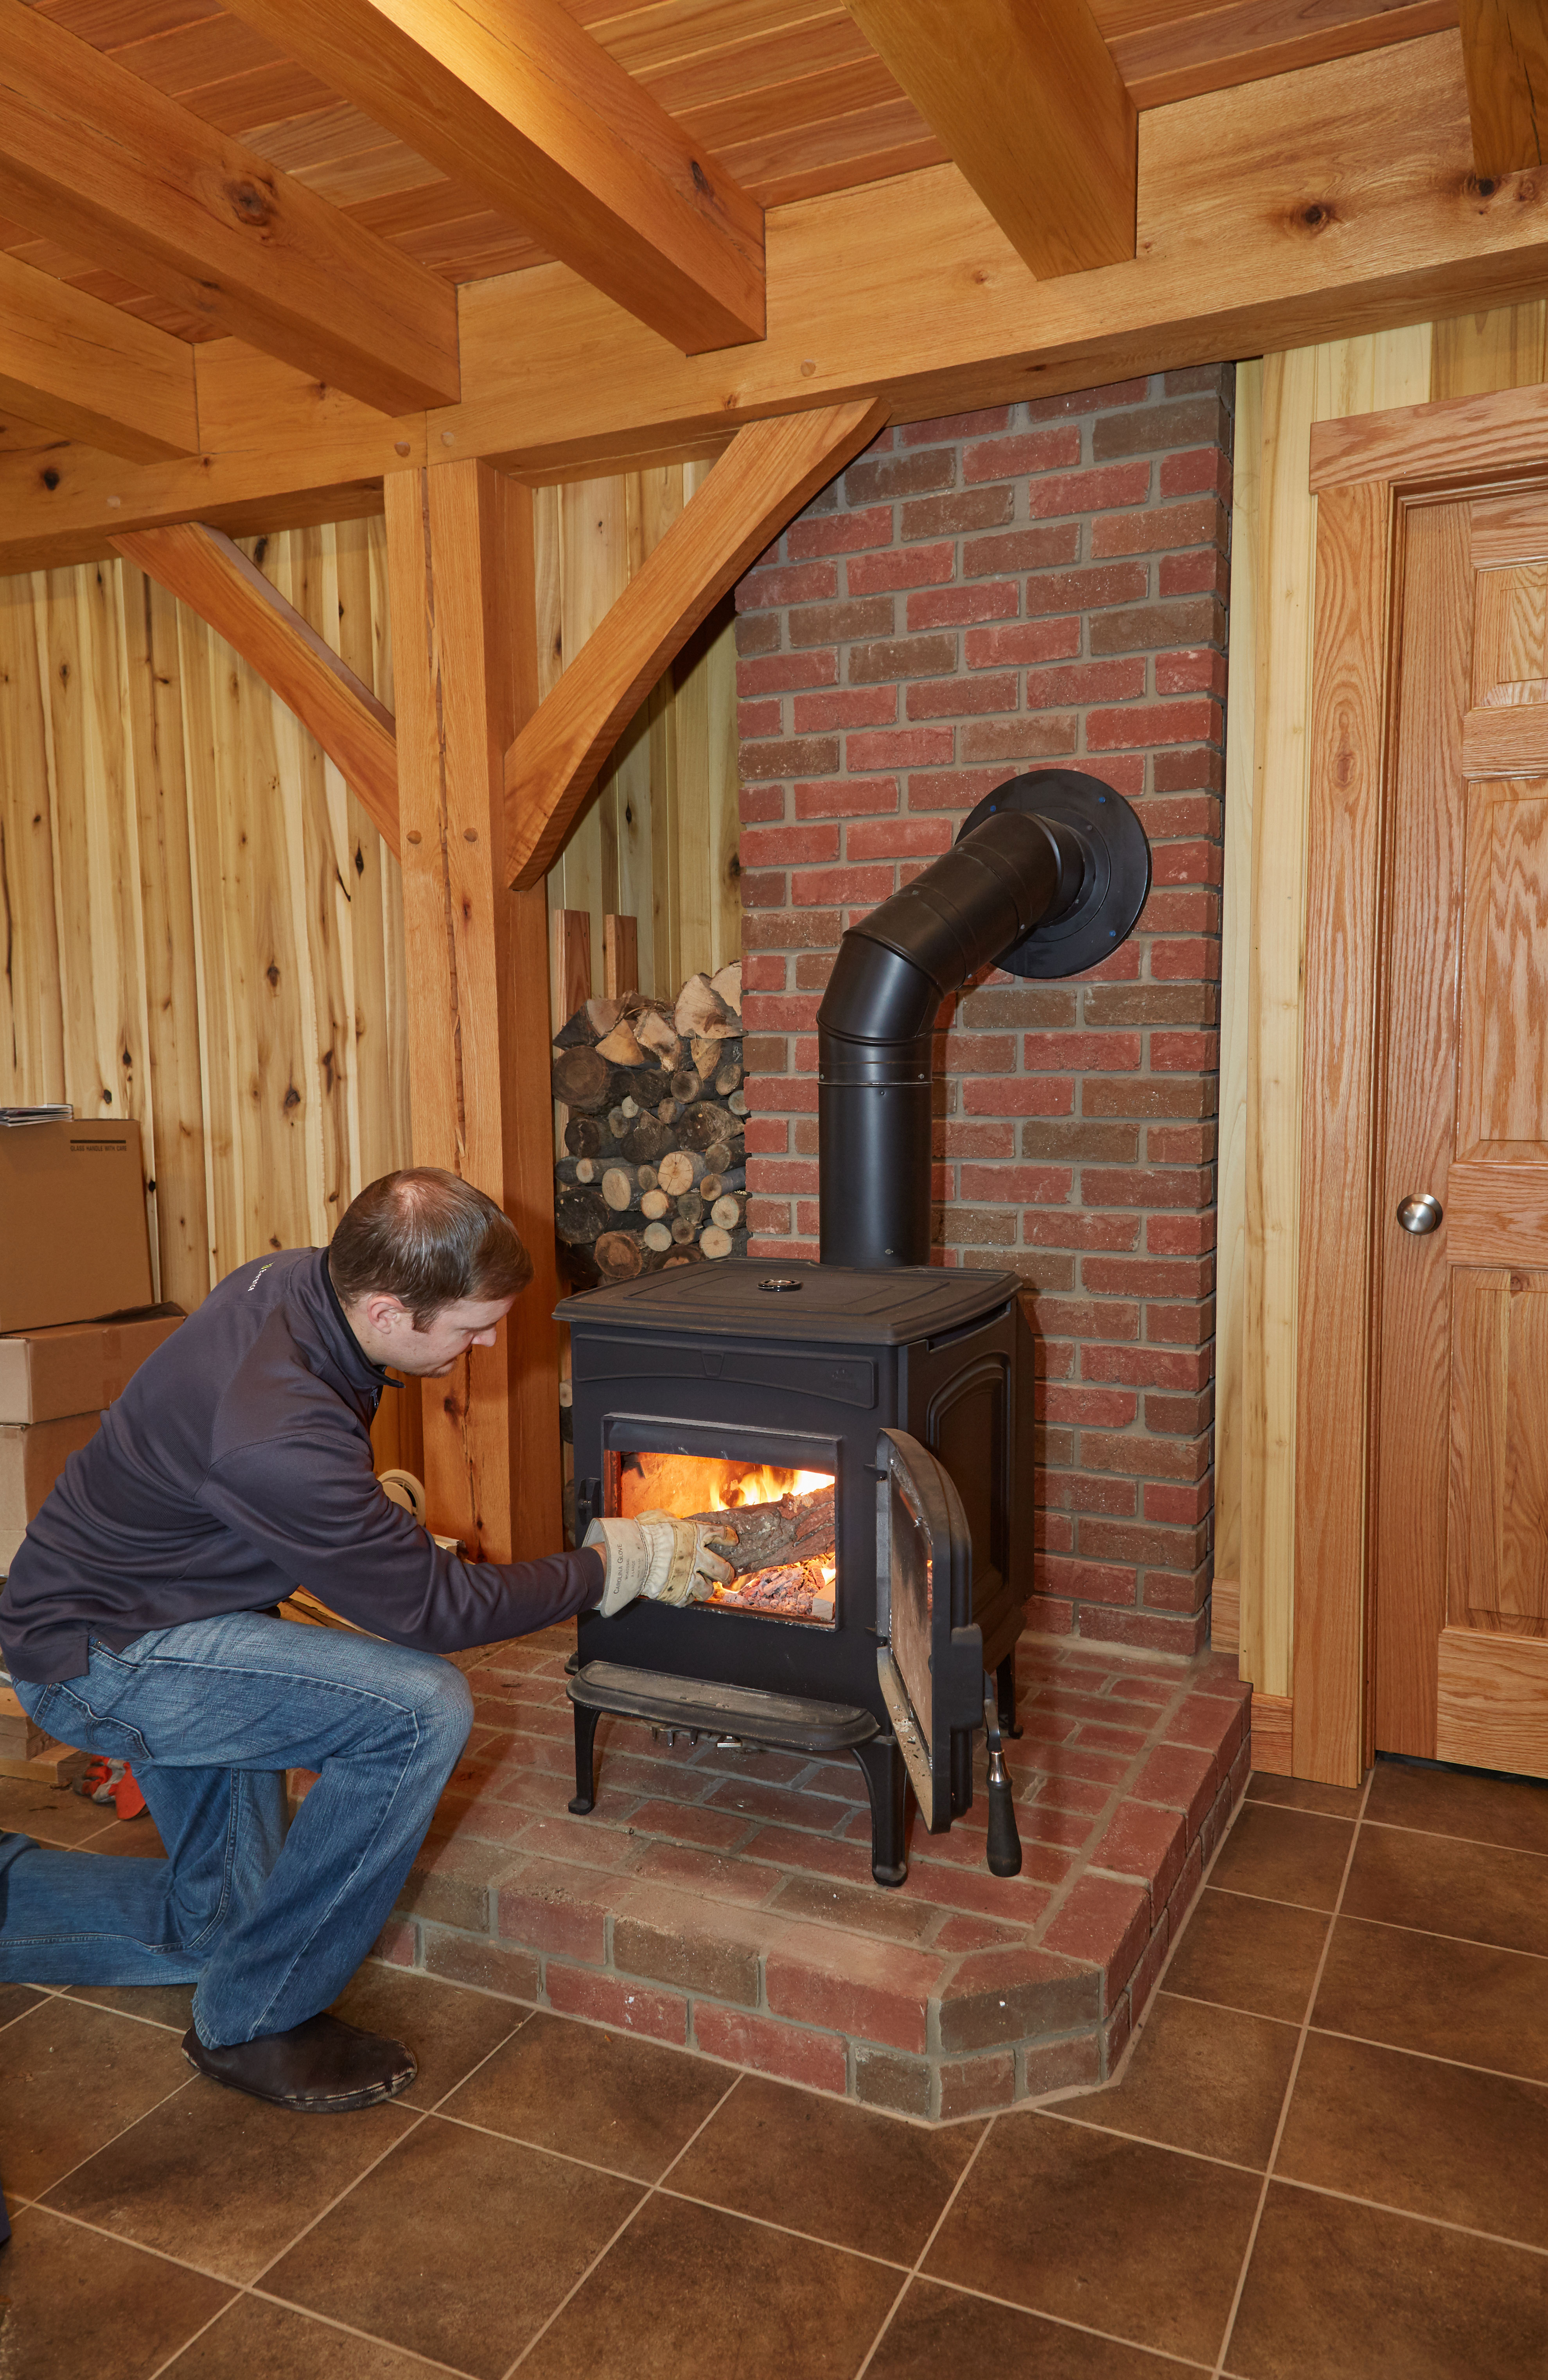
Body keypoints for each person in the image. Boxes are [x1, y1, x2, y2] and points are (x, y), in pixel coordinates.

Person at [0, 1169, 729, 2114]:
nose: (491, 1343)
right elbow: (438, 1616)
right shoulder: (273, 1427)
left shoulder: (301, 1287)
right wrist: (611, 1566)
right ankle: (255, 2019)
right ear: (386, 1309)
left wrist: (349, 1527)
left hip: (165, 1610)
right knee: (418, 1710)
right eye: (471, 1328)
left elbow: (270, 1490)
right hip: (107, 1659)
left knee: (218, 1924)